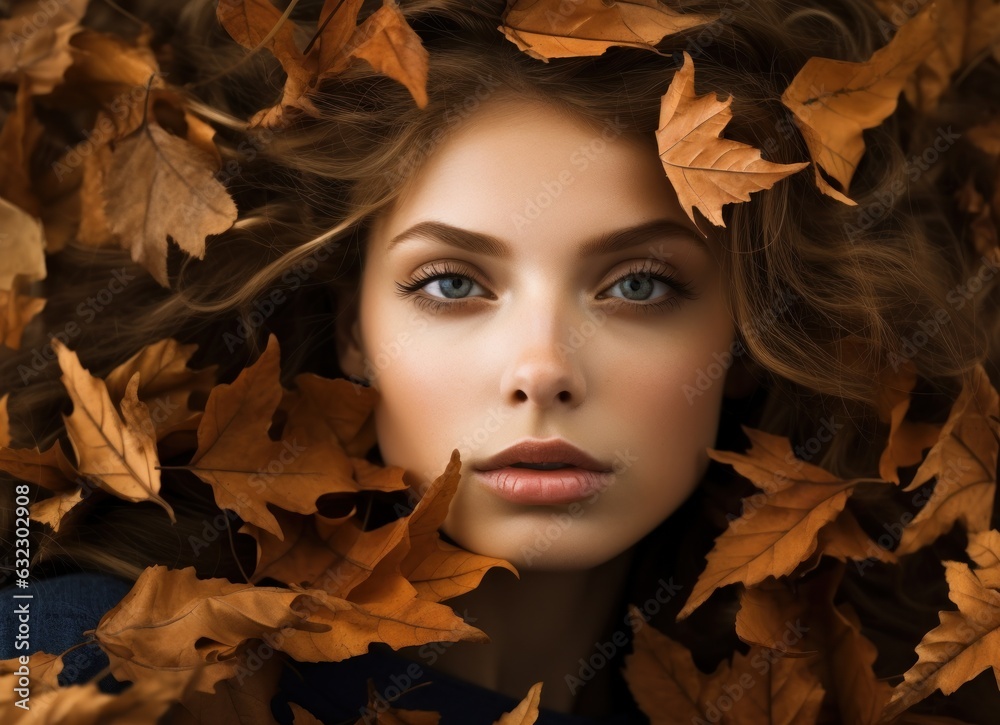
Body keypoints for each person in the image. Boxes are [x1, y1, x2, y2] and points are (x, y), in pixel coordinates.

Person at [1, 0, 998, 722]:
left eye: (638, 285)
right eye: (450, 283)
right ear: (350, 325)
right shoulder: (88, 658)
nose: (540, 367)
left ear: (740, 337)